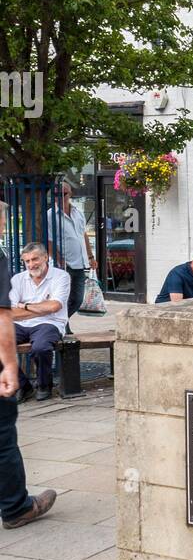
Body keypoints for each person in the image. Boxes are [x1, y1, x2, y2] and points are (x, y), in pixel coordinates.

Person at [0, 208, 57, 528]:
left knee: (42, 341)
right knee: (1, 436)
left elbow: (54, 307)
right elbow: (3, 314)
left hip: (45, 326)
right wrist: (9, 364)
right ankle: (16, 507)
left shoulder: (58, 276)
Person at [10, 243, 70, 403]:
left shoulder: (61, 276)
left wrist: (26, 305)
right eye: (27, 261)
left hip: (50, 323)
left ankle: (44, 385)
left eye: (35, 259)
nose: (31, 264)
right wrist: (42, 307)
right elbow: (9, 312)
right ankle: (23, 386)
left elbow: (55, 306)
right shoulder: (17, 279)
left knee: (41, 348)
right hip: (21, 324)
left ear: (45, 257)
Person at [51, 180, 98, 324]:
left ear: (70, 194)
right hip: (65, 264)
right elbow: (50, 241)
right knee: (64, 299)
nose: (60, 196)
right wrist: (60, 260)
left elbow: (83, 235)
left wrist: (91, 257)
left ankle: (61, 323)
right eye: (56, 194)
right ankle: (61, 325)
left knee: (77, 299)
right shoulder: (51, 215)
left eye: (63, 193)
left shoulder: (78, 213)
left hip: (80, 262)